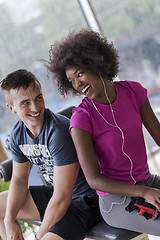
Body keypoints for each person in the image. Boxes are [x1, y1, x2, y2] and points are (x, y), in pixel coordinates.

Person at [45, 29, 160, 236]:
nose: (78, 85)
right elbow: (94, 180)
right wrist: (144, 192)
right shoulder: (81, 118)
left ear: (96, 62)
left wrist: (147, 188)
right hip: (116, 201)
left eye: (80, 74)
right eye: (71, 81)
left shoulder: (134, 92)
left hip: (147, 182)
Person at [0, 69, 102, 240]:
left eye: (38, 97)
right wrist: (10, 220)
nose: (35, 107)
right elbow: (19, 180)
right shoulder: (18, 134)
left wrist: (39, 236)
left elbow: (63, 196)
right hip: (57, 194)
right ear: (12, 109)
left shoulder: (59, 132)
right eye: (25, 102)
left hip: (86, 202)